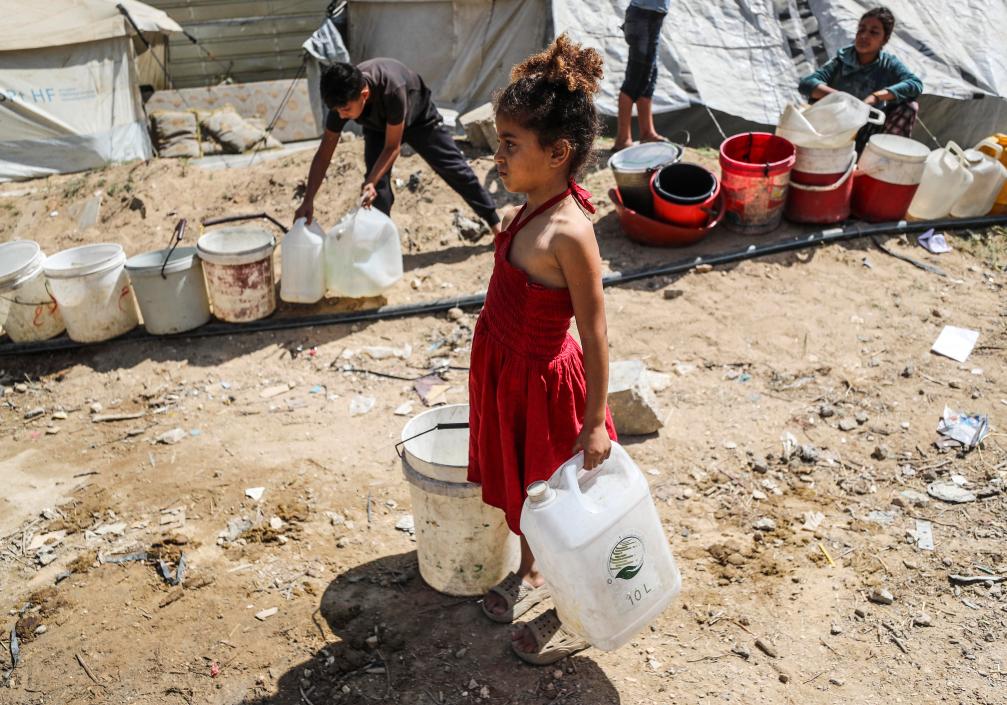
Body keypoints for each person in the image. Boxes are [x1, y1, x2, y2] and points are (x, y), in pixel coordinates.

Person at [467, 35, 618, 666]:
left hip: (548, 393)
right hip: (509, 378)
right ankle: (532, 572)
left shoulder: (570, 232)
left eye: (510, 144)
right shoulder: (530, 209)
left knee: (562, 508)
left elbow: (595, 330)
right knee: (530, 496)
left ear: (557, 154)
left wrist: (594, 422)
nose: (498, 156)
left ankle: (573, 611)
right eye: (499, 141)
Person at [294, 59, 501, 237]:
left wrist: (370, 180)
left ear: (364, 94)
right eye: (337, 110)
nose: (341, 116)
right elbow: (323, 155)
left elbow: (392, 148)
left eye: (346, 110)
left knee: (454, 168)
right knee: (377, 191)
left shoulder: (392, 89)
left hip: (419, 119)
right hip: (377, 127)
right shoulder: (342, 100)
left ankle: (495, 225)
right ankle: (380, 245)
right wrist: (308, 200)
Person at [798, 6, 923, 152]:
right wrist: (844, 99)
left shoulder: (889, 64)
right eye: (861, 29)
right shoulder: (842, 60)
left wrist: (876, 97)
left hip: (867, 132)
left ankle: (882, 160)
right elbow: (806, 83)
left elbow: (915, 84)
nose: (864, 35)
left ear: (884, 40)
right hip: (835, 128)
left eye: (873, 32)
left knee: (910, 107)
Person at [614, 0, 670, 151]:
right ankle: (622, 139)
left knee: (649, 78)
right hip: (643, 16)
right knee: (635, 79)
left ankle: (647, 132)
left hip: (653, 17)